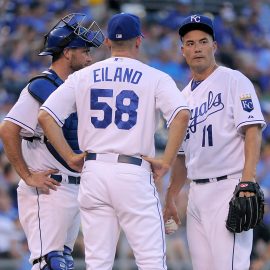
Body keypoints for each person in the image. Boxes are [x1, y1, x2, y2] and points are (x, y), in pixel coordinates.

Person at [37, 12, 190, 270]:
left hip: (93, 171)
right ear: (139, 40)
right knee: (151, 261)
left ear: (107, 42)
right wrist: (166, 160)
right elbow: (181, 114)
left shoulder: (83, 75)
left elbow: (46, 116)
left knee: (97, 263)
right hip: (132, 171)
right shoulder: (154, 76)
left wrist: (70, 156)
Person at [0, 13, 104, 270]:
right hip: (47, 189)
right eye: (84, 50)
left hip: (72, 188)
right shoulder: (42, 87)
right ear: (67, 53)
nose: (89, 57)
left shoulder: (74, 88)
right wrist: (27, 175)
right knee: (50, 263)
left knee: (63, 261)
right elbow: (7, 129)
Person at [163, 14, 266, 270]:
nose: (197, 48)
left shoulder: (234, 79)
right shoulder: (182, 97)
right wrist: (171, 197)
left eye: (203, 41)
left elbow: (252, 131)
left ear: (214, 46)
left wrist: (247, 180)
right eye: (190, 43)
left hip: (229, 187)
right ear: (183, 50)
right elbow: (181, 156)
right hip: (196, 193)